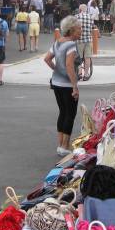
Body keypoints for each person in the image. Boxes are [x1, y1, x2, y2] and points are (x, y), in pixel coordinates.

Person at [44, 15, 82, 157]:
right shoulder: (71, 44)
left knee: (62, 112)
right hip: (67, 85)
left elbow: (47, 59)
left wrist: (56, 70)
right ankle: (64, 146)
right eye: (79, 29)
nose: (81, 32)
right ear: (71, 30)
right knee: (70, 114)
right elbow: (69, 65)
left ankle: (60, 144)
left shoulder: (58, 42)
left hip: (56, 83)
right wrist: (74, 86)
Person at [76, 4, 94, 76]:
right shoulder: (90, 17)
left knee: (79, 57)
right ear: (86, 9)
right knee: (87, 57)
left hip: (79, 40)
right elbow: (92, 27)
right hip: (88, 40)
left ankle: (79, 73)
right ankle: (86, 74)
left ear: (79, 10)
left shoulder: (76, 17)